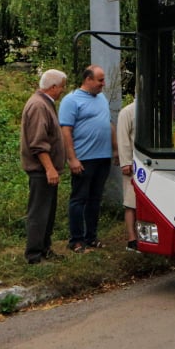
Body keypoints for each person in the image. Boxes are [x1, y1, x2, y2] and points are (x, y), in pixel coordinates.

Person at [60, 65, 117, 252]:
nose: (103, 84)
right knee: (79, 199)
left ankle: (91, 237)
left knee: (95, 199)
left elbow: (108, 124)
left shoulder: (101, 98)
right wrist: (72, 159)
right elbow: (66, 131)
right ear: (88, 79)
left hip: (103, 157)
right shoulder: (71, 100)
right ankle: (76, 240)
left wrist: (115, 149)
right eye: (100, 80)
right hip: (84, 158)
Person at [19, 69, 68, 265]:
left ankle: (45, 248)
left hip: (46, 170)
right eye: (62, 86)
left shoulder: (44, 103)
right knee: (39, 212)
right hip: (41, 171)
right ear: (53, 87)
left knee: (47, 212)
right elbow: (38, 143)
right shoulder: (39, 106)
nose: (63, 90)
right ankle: (34, 255)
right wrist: (49, 168)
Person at [116, 99, 138, 252]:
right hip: (132, 163)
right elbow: (123, 138)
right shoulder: (127, 112)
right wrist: (125, 162)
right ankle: (132, 238)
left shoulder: (154, 111)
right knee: (130, 202)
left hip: (149, 162)